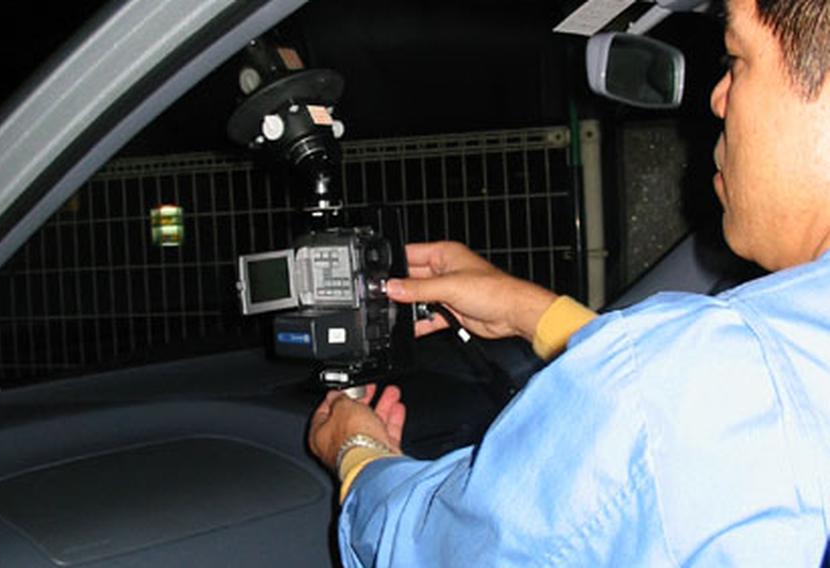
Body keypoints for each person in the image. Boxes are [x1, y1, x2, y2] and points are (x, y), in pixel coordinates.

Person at [308, 0, 830, 564]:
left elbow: (440, 547)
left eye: (735, 59)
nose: (717, 97)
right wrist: (533, 312)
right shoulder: (736, 375)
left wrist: (357, 453)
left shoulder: (699, 380)